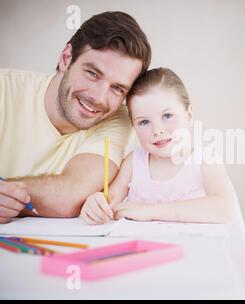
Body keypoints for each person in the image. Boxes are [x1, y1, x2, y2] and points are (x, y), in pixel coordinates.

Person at [0, 11, 151, 224]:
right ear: (66, 58)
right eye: (92, 73)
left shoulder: (118, 118)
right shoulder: (4, 88)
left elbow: (71, 194)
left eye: (117, 88)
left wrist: (8, 194)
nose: (98, 98)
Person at [80, 68, 235, 224]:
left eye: (167, 116)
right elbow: (109, 203)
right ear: (134, 126)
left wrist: (150, 211)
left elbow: (225, 209)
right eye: (144, 122)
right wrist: (96, 205)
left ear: (188, 116)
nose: (157, 131)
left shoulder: (204, 160)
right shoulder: (134, 162)